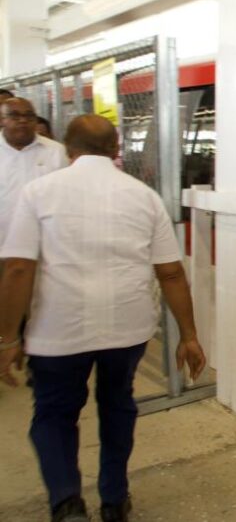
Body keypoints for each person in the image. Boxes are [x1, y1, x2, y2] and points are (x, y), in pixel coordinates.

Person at [0, 114, 206, 522]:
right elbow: (170, 272)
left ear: (67, 149)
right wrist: (189, 335)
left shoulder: (39, 192)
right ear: (116, 150)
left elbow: (18, 268)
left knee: (55, 413)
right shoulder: (144, 196)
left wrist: (7, 338)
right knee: (117, 406)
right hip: (127, 329)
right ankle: (114, 500)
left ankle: (67, 502)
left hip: (57, 329)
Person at [0, 98, 67, 251]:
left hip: (45, 245)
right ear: (2, 119)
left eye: (29, 116)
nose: (23, 121)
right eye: (15, 116)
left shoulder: (56, 151)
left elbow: (65, 197)